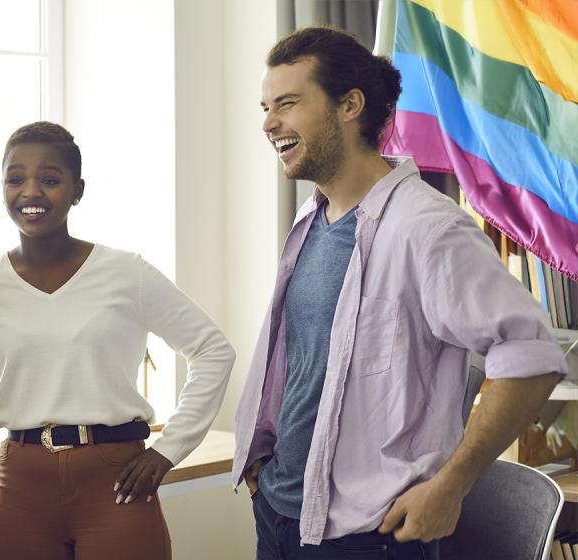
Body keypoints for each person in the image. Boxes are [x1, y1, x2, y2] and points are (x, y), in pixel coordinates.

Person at [235, 26, 565, 559]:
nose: (270, 123)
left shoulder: (430, 229)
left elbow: (532, 358)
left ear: (350, 106)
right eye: (266, 106)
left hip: (369, 537)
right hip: (280, 515)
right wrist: (262, 461)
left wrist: (451, 485)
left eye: (288, 103)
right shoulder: (308, 221)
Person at [0, 121, 236, 560]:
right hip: (21, 485)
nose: (31, 192)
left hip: (115, 481)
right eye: (15, 178)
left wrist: (168, 451)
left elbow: (214, 351)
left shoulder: (126, 273)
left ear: (77, 190)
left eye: (49, 179)